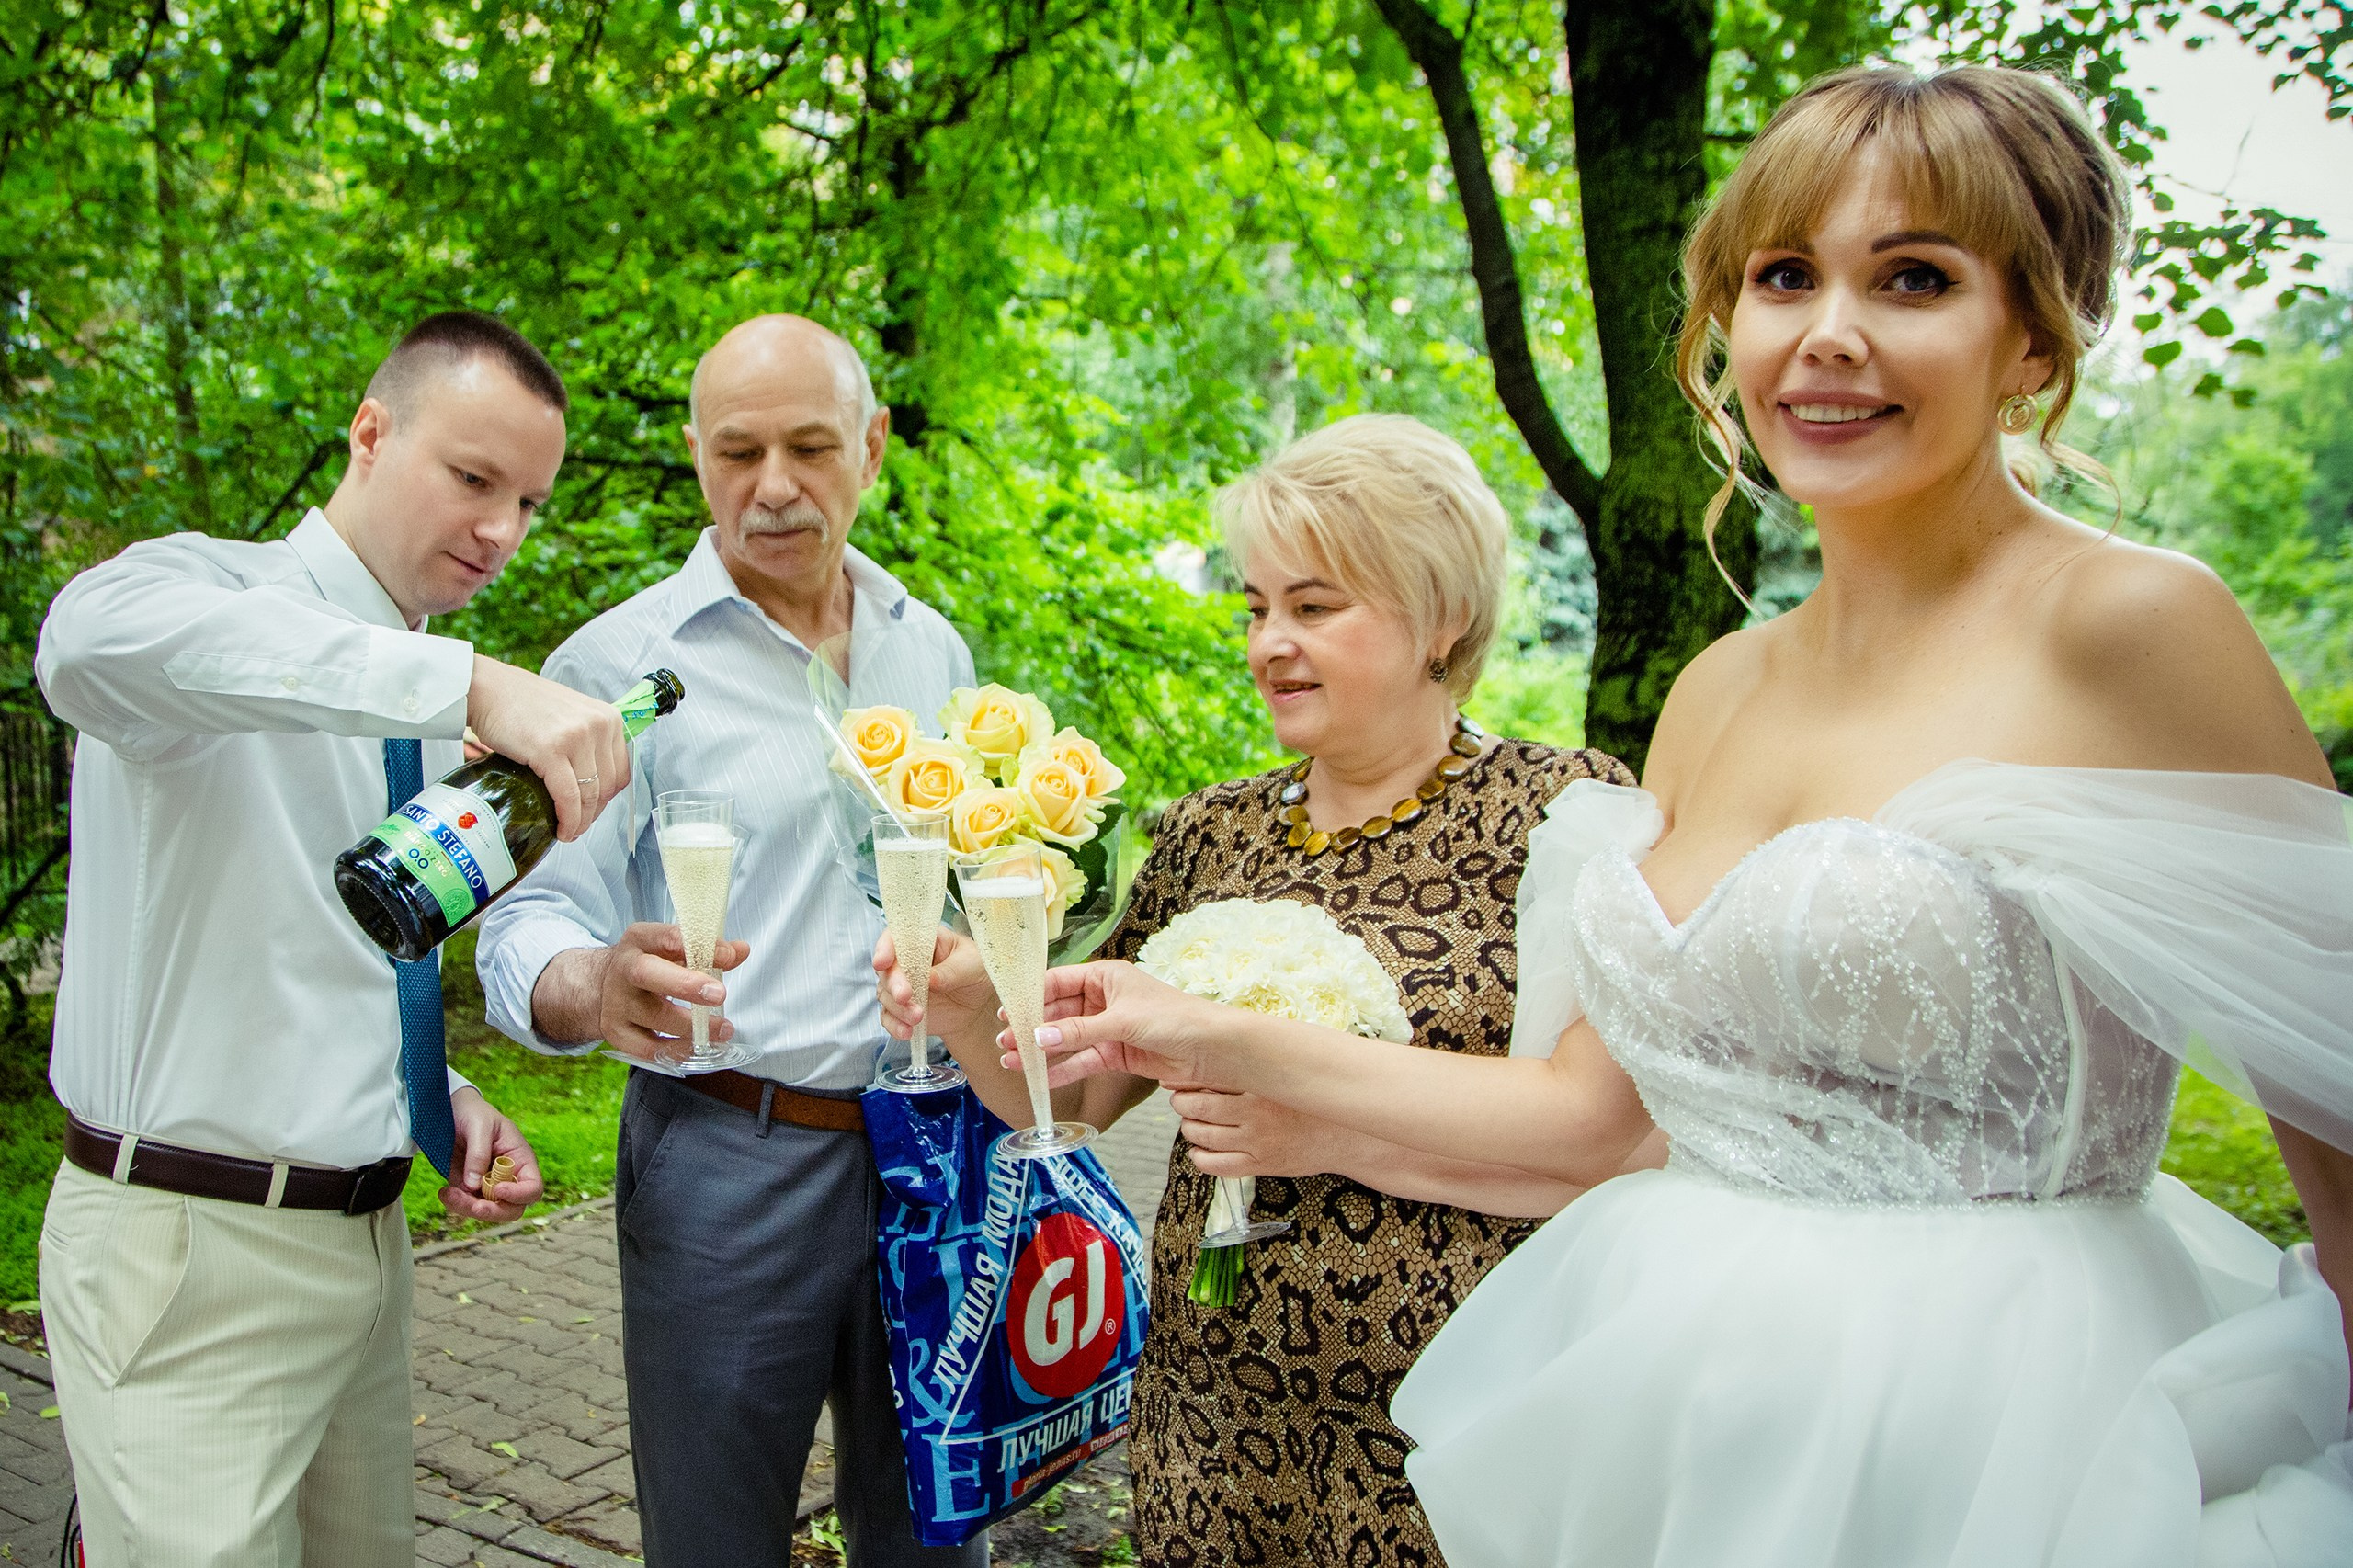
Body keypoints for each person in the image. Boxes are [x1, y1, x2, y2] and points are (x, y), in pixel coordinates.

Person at [1019, 66, 2353, 1566]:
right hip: (1677, 1407)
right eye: (1784, 277)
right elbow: (1609, 1116)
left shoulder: (2129, 629)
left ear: (2030, 337)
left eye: (1913, 277)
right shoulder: (1716, 691)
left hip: (1995, 1433)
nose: (1827, 333)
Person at [877, 413, 1635, 1566]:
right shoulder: (1206, 831)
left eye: (1314, 605)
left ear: (1442, 615)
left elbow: (1612, 1139)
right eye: (1256, 605)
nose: (1269, 642)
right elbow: (1074, 1105)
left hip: (1452, 1416)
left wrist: (1318, 1116)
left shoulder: (1567, 815)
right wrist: (974, 1004)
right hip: (1211, 1415)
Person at [33, 310, 628, 1566]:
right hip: (192, 1252)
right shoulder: (215, 594)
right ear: (370, 432)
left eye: (527, 501)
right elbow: (78, 643)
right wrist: (466, 680)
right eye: (474, 479)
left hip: (367, 1246)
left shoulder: (403, 683)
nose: (500, 531)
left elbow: (307, 948)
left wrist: (438, 1089)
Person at [474, 313, 983, 1568]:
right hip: (727, 1154)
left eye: (811, 447)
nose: (774, 486)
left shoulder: (932, 646)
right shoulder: (618, 666)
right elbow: (527, 916)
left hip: (938, 1146)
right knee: (713, 1539)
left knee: (940, 1532)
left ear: (871, 448)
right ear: (698, 456)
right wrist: (590, 982)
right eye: (738, 451)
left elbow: (969, 870)